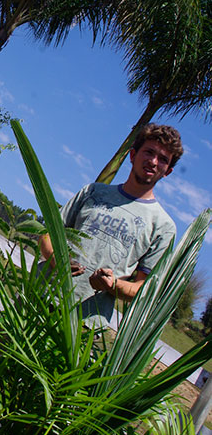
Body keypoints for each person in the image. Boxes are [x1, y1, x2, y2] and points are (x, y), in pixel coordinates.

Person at [39, 123, 183, 328]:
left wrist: (113, 285)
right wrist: (56, 260)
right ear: (133, 155)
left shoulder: (163, 227)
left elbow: (144, 289)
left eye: (163, 160)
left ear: (167, 171)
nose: (153, 161)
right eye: (149, 152)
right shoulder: (93, 192)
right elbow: (47, 235)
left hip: (83, 323)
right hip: (40, 295)